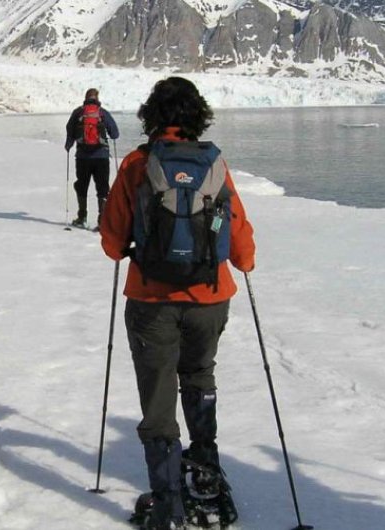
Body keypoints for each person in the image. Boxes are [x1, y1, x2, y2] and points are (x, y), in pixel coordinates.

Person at [99, 77, 255, 529]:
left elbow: (112, 242)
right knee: (199, 375)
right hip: (210, 297)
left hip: (150, 299)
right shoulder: (213, 162)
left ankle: (168, 504)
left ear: (153, 115)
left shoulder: (136, 164)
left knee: (158, 396)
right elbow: (239, 231)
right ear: (196, 116)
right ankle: (205, 475)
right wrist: (243, 261)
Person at [64, 88, 120, 228]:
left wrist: (69, 145)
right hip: (101, 156)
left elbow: (69, 130)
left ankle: (82, 217)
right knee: (102, 187)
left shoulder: (78, 112)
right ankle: (102, 221)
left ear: (85, 97)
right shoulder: (102, 113)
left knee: (82, 185)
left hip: (82, 157)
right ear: (97, 98)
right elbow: (115, 134)